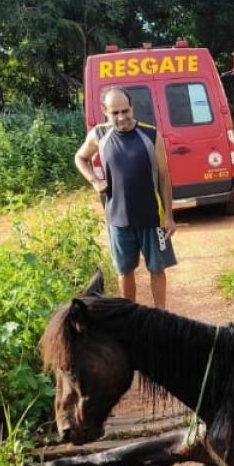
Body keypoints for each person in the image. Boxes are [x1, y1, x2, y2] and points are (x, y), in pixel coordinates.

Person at [75, 87, 178, 309]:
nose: (122, 117)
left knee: (157, 269)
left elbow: (164, 177)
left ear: (132, 107)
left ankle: (162, 316)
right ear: (105, 111)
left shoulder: (151, 135)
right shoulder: (99, 135)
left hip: (152, 218)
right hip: (118, 219)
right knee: (124, 271)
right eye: (115, 113)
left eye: (126, 110)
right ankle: (130, 317)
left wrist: (169, 216)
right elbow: (80, 158)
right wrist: (95, 181)